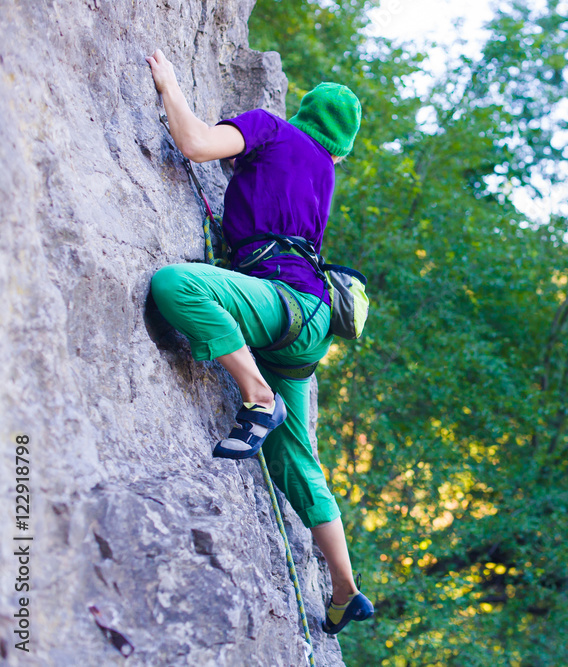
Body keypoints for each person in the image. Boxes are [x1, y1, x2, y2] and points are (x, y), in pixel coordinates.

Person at [145, 48, 373, 635]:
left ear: (301, 112)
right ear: (341, 140)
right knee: (296, 460)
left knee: (177, 285)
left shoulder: (271, 129)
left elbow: (195, 143)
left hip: (280, 307)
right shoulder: (323, 170)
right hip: (309, 326)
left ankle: (258, 397)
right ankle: (346, 589)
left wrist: (171, 85)